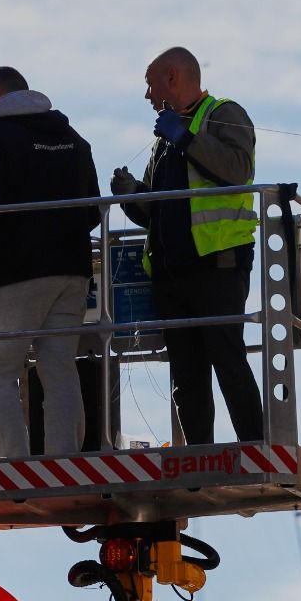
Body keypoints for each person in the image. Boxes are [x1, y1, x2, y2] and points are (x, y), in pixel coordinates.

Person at [112, 47, 264, 445]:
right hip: (172, 273)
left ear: (173, 77)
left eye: (151, 84)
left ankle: (253, 443)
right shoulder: (163, 139)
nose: (147, 96)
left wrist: (187, 138)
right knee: (186, 372)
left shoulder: (223, 114)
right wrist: (131, 195)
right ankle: (198, 451)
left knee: (228, 358)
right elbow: (153, 213)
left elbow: (238, 170)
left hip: (216, 265)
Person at [0, 66, 100, 459]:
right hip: (72, 273)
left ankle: (11, 460)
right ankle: (64, 458)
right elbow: (93, 213)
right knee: (59, 366)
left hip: (16, 276)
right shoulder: (73, 140)